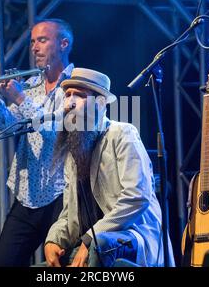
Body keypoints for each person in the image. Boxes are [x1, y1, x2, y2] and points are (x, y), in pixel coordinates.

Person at [44, 68, 174, 267]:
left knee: (101, 244)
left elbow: (137, 197)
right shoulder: (74, 149)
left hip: (131, 236)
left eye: (78, 95)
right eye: (67, 95)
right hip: (93, 242)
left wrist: (90, 238)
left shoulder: (122, 134)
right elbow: (69, 212)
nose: (69, 102)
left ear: (100, 103)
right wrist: (53, 239)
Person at [0, 19, 74, 266]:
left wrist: (19, 97)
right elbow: (10, 127)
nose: (34, 47)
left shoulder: (76, 87)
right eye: (32, 41)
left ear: (63, 43)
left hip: (62, 195)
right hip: (28, 194)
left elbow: (56, 133)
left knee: (62, 267)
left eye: (42, 40)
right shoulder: (32, 85)